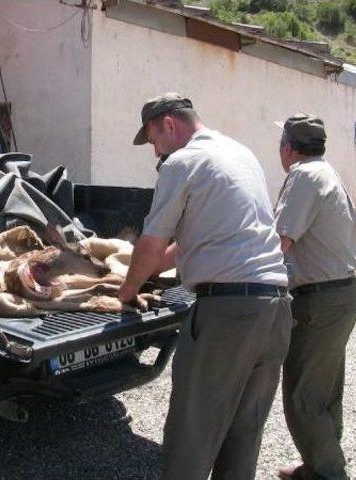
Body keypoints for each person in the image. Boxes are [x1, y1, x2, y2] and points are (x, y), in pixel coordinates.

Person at [119, 93, 293, 480]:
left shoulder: (181, 163)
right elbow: (200, 239)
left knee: (192, 432)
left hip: (227, 313)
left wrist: (126, 291)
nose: (154, 151)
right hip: (275, 308)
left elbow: (151, 243)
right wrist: (150, 267)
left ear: (168, 124)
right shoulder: (239, 154)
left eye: (152, 140)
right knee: (243, 431)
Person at [274, 114, 356, 480]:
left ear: (289, 148)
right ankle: (319, 463)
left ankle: (328, 473)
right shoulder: (326, 172)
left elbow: (280, 240)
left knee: (303, 397)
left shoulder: (304, 176)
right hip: (340, 295)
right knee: (324, 391)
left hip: (319, 301)